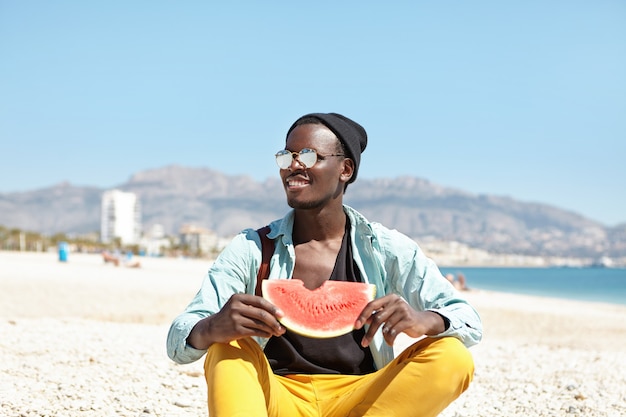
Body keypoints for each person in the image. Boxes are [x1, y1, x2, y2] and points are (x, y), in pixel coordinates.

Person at [167, 112, 483, 417]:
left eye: (307, 156)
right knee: (227, 347)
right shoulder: (251, 247)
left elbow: (468, 321)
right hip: (276, 397)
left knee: (453, 356)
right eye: (286, 156)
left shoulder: (386, 248)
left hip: (362, 397)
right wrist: (211, 327)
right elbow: (178, 342)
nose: (292, 166)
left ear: (345, 169)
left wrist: (424, 320)